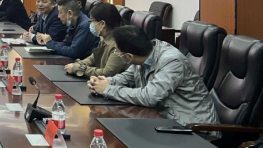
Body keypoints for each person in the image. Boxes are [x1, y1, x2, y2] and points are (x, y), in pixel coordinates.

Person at [88, 25, 220, 127]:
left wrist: (107, 89)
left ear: (128, 56)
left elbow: (149, 97)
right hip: (164, 118)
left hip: (192, 126)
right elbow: (127, 77)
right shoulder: (144, 53)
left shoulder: (172, 62)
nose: (117, 54)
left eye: (117, 52)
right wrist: (103, 82)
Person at [63, 3, 127, 78]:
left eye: (91, 21)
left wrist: (78, 69)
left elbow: (107, 72)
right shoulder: (103, 38)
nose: (90, 24)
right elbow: (92, 59)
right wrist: (79, 64)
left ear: (102, 23)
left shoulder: (118, 44)